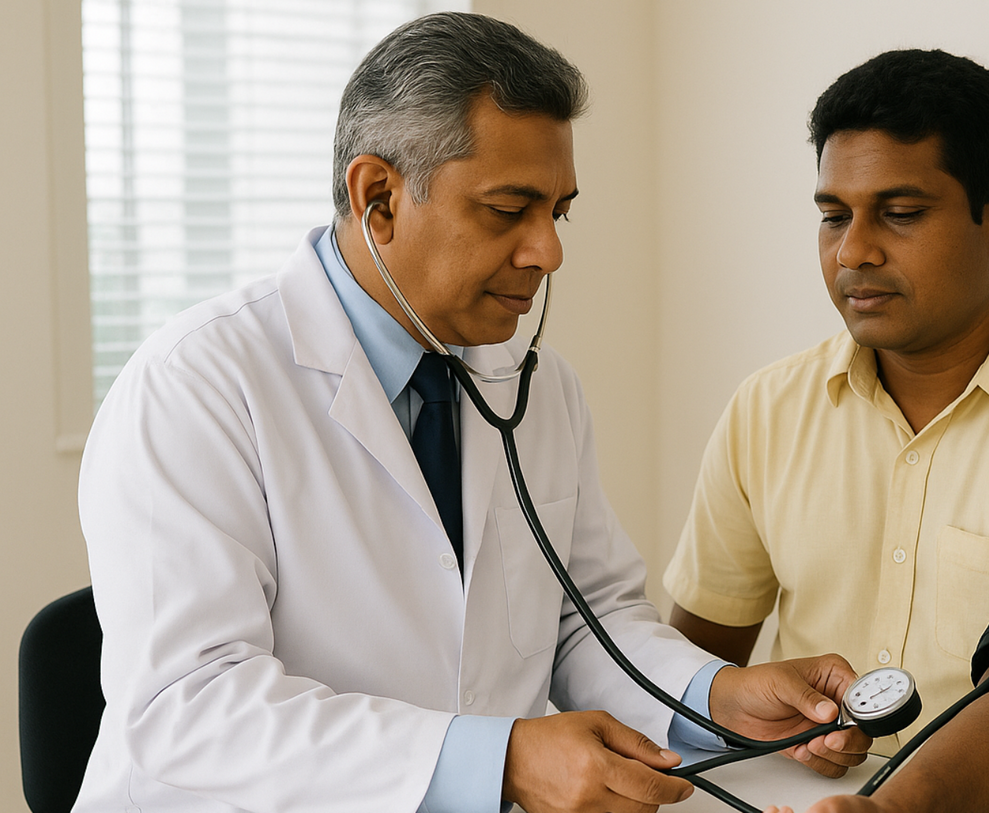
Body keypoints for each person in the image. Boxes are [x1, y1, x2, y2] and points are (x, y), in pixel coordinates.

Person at [75, 13, 869, 813]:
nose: (547, 252)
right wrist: (499, 758)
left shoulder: (534, 383)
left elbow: (583, 617)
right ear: (378, 196)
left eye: (556, 211)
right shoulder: (198, 386)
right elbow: (189, 710)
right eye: (508, 208)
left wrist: (715, 694)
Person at [664, 49, 989, 813]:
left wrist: (885, 808)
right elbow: (694, 672)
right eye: (832, 216)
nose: (853, 251)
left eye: (900, 213)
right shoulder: (766, 409)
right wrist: (750, 712)